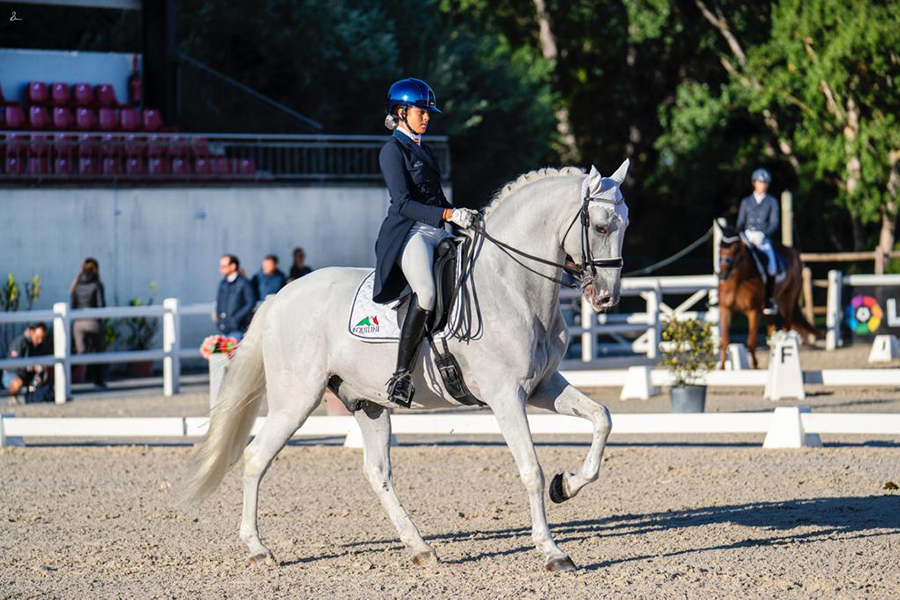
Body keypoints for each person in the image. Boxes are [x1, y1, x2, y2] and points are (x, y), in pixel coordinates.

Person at [373, 78, 478, 407]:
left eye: (428, 112)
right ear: (401, 112)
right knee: (427, 293)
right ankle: (401, 376)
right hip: (410, 232)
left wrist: (463, 218)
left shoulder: (422, 147)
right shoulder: (392, 150)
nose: (427, 116)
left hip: (437, 230)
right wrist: (447, 213)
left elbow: (436, 195)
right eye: (422, 111)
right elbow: (402, 202)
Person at [737, 168, 781, 311]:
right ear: (754, 183)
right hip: (747, 236)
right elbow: (740, 222)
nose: (763, 185)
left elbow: (774, 223)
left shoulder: (772, 202)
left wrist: (764, 234)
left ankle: (769, 299)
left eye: (766, 183)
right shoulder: (746, 202)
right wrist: (742, 234)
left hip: (763, 239)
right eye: (761, 182)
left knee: (772, 265)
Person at [70, 257, 107, 388]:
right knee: (98, 352)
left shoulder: (76, 284)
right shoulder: (97, 284)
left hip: (78, 324)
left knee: (80, 353)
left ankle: (65, 376)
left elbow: (73, 305)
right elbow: (101, 305)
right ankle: (98, 381)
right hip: (93, 322)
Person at [3, 322, 52, 403]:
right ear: (32, 332)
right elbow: (12, 365)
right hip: (12, 374)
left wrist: (42, 371)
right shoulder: (19, 342)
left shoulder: (42, 345)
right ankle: (12, 397)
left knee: (37, 383)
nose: (40, 340)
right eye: (38, 337)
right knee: (17, 383)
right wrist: (31, 367)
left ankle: (29, 396)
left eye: (42, 338)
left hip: (29, 377)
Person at [216, 254, 256, 340]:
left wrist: (236, 318)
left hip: (238, 329)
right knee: (219, 353)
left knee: (235, 353)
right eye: (220, 266)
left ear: (233, 266)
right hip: (223, 328)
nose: (220, 269)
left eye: (223, 266)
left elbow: (251, 303)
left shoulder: (244, 283)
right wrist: (219, 318)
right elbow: (219, 303)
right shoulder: (223, 283)